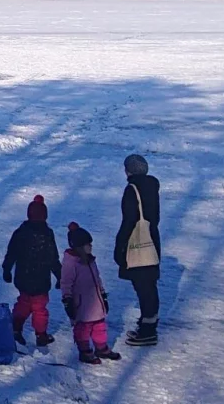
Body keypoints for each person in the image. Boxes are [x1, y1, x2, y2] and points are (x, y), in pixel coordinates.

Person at [115, 153, 162, 347]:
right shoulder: (152, 187)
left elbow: (129, 221)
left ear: (129, 170)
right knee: (149, 285)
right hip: (152, 241)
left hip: (137, 244)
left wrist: (120, 246)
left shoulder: (132, 190)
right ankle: (148, 324)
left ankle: (147, 331)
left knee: (142, 287)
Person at [3, 194, 62, 347]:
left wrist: (7, 269)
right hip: (41, 279)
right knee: (39, 308)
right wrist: (59, 275)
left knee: (23, 303)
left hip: (23, 276)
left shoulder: (20, 232)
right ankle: (41, 334)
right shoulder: (47, 234)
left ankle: (16, 328)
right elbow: (53, 258)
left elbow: (12, 253)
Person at [60, 222, 119, 365]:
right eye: (88, 244)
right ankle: (85, 351)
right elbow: (66, 283)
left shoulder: (91, 260)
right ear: (79, 246)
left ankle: (101, 348)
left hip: (95, 301)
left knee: (99, 326)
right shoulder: (71, 263)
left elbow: (97, 279)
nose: (91, 247)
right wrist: (67, 300)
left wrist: (103, 295)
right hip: (81, 304)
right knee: (83, 329)